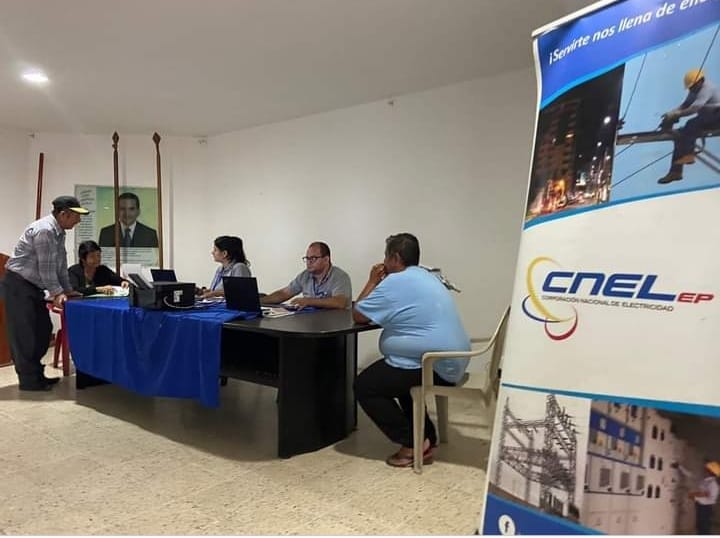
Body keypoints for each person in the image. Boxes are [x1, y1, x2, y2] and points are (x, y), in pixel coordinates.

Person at [352, 233, 470, 467]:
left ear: (395, 258)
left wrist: (373, 281)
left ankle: (412, 443)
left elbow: (358, 314)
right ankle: (428, 439)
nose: (383, 262)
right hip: (452, 359)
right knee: (400, 376)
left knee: (365, 386)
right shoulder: (428, 275)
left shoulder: (397, 281)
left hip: (437, 365)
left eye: (386, 257)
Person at [2, 196, 89, 391]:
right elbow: (46, 268)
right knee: (25, 335)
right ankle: (29, 380)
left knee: (42, 330)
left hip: (33, 287)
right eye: (76, 216)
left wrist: (67, 290)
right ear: (64, 214)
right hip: (18, 285)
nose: (78, 220)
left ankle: (37, 374)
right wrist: (57, 293)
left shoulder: (59, 232)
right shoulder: (45, 230)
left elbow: (61, 265)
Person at [658, 69, 720, 185]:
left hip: (717, 116)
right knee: (680, 135)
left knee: (691, 124)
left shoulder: (707, 88)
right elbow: (685, 104)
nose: (691, 90)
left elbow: (694, 109)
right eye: (690, 88)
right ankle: (675, 172)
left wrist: (677, 114)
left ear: (700, 81)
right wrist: (672, 112)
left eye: (692, 87)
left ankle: (689, 154)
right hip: (707, 117)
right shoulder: (694, 89)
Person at [260, 241, 351, 309]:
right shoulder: (305, 275)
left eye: (313, 258)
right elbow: (284, 293)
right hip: (311, 324)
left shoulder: (340, 277)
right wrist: (259, 301)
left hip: (334, 325)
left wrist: (308, 301)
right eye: (307, 258)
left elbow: (340, 302)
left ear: (326, 259)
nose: (309, 262)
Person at [674, 460, 720, 534]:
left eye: (706, 469)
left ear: (711, 472)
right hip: (700, 505)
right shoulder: (704, 479)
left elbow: (709, 497)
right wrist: (679, 467)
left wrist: (694, 496)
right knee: (700, 525)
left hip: (706, 508)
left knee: (704, 527)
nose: (704, 470)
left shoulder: (713, 484)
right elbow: (690, 475)